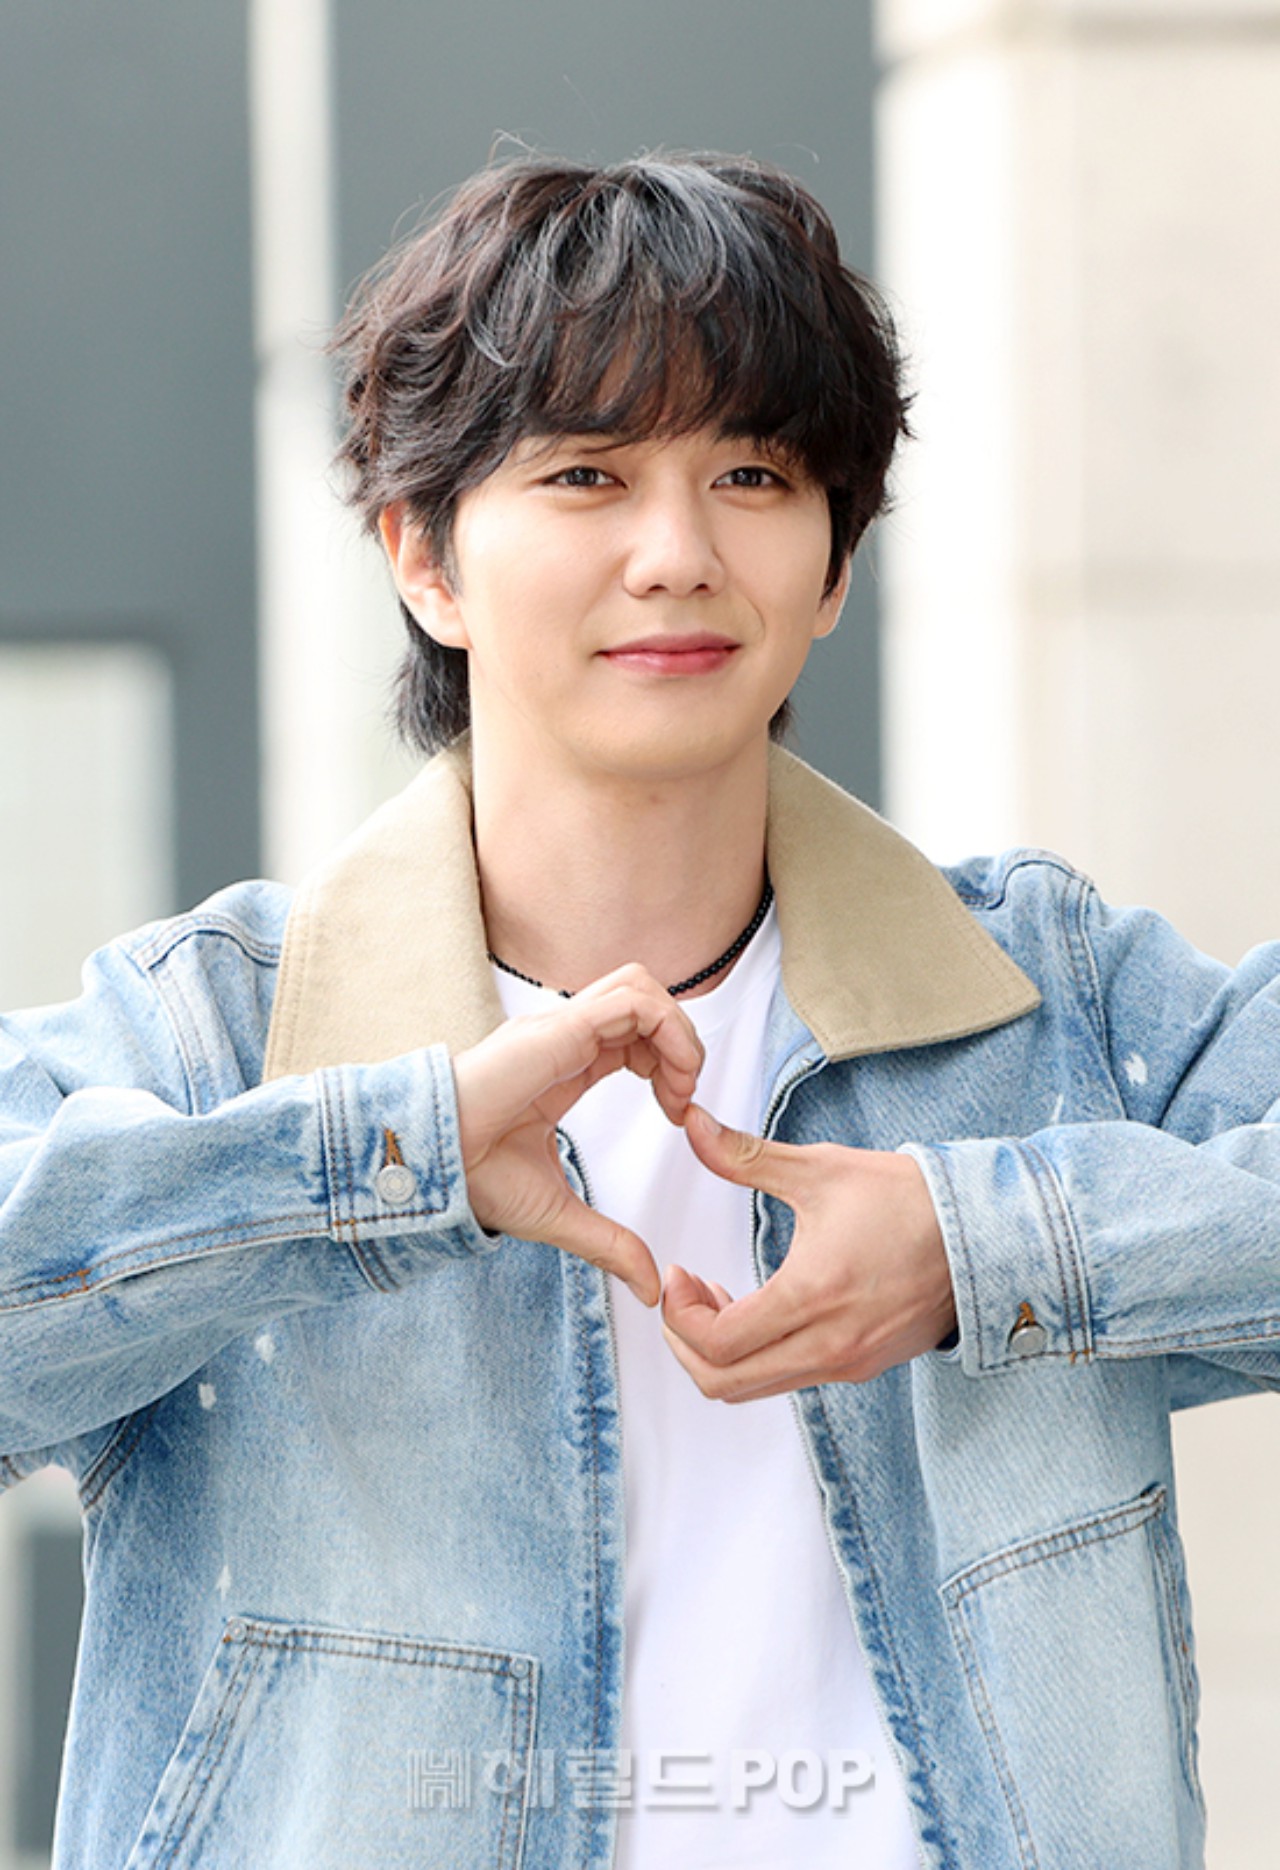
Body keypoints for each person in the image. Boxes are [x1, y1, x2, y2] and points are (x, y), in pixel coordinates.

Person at [0, 153, 1273, 1870]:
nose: (677, 554)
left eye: (752, 474)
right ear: (425, 559)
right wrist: (385, 1162)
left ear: (833, 564)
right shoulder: (218, 1034)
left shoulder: (1047, 1002)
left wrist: (986, 1242)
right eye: (586, 474)